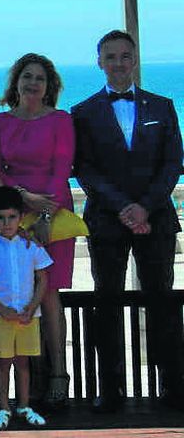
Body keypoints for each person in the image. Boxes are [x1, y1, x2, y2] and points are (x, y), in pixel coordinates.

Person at [70, 30, 184, 412]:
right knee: (107, 304)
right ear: (99, 62)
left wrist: (145, 208)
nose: (118, 63)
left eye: (124, 56)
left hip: (156, 220)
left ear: (134, 60)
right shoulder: (83, 112)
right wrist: (123, 207)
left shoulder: (163, 106)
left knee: (162, 302)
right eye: (110, 57)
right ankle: (111, 389)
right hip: (106, 220)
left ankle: (172, 386)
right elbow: (83, 167)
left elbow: (173, 163)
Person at [0, 52, 76, 408]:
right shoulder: (0, 121)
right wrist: (22, 203)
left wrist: (43, 217)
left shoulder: (60, 120)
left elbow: (61, 168)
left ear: (49, 85)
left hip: (53, 214)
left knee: (49, 292)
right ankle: (30, 378)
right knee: (18, 290)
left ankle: (58, 372)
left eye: (40, 78)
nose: (33, 83)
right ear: (16, 82)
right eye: (27, 76)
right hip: (12, 214)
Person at [0, 187, 50, 431]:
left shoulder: (31, 246)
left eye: (12, 217)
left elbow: (43, 279)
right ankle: (3, 406)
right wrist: (2, 309)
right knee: (2, 363)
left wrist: (32, 307)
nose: (7, 223)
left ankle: (24, 405)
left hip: (28, 315)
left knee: (23, 362)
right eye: (0, 218)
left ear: (21, 217)